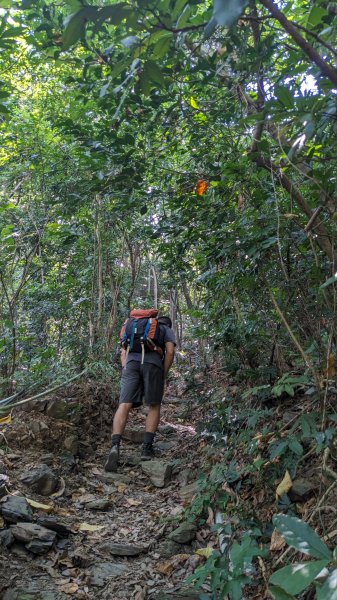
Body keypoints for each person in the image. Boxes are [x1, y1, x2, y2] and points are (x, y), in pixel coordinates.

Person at [105, 314, 176, 471]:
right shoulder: (165, 329)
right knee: (154, 405)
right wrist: (163, 373)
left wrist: (126, 367)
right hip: (153, 364)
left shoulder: (135, 328)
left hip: (130, 363)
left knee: (124, 404)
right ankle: (146, 448)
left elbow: (123, 352)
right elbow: (170, 352)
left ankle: (115, 446)